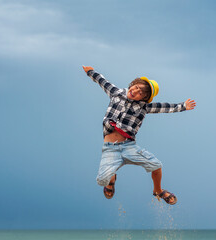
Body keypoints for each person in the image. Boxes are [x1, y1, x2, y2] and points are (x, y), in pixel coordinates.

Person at [82, 66, 196, 205]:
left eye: (140, 92)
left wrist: (183, 106)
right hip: (110, 148)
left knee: (157, 165)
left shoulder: (144, 107)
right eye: (135, 87)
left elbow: (164, 107)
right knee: (101, 180)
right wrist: (90, 72)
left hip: (129, 147)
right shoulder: (117, 93)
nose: (135, 91)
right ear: (132, 84)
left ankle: (158, 190)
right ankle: (111, 180)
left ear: (144, 98)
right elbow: (103, 82)